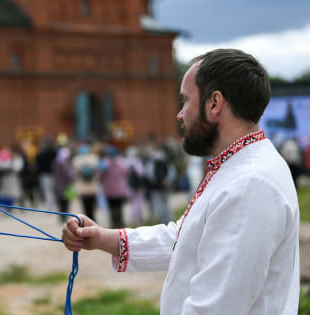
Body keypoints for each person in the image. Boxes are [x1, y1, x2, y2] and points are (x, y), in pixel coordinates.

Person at [62, 49, 299, 315]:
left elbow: (216, 308)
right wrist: (106, 239)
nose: (179, 114)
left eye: (186, 101)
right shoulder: (240, 166)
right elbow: (189, 239)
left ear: (214, 104)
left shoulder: (251, 184)